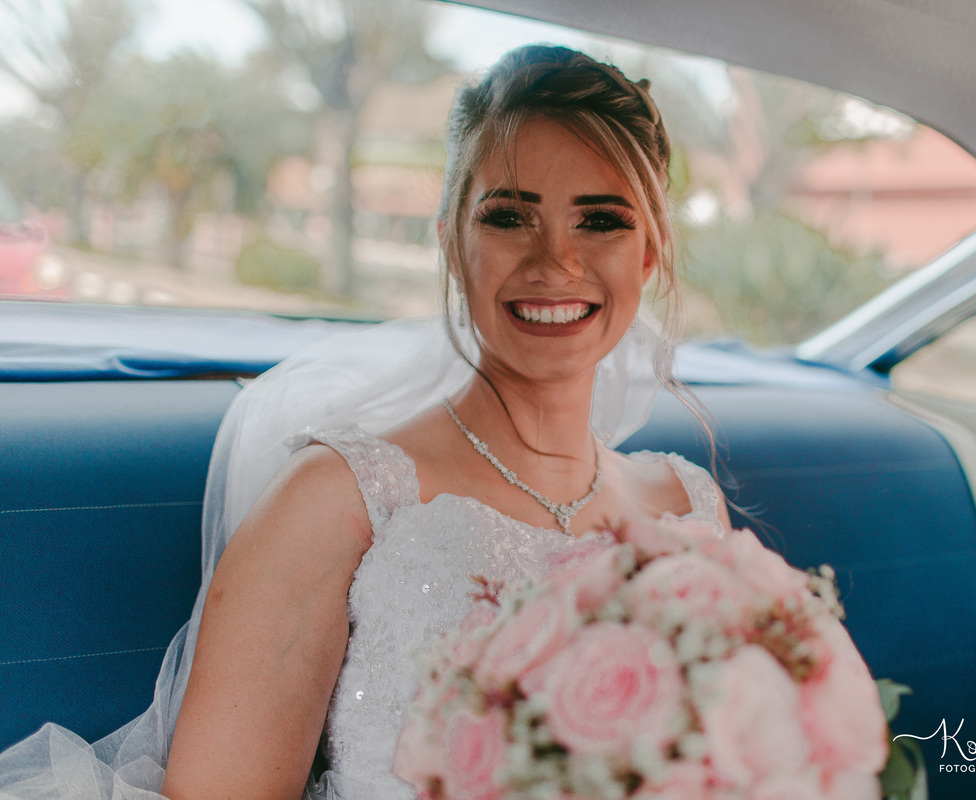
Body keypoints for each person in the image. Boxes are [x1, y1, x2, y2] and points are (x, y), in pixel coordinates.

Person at [0, 44, 731, 800]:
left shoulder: (691, 510)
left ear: (648, 256)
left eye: (601, 221)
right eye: (510, 216)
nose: (557, 262)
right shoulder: (338, 500)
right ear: (452, 240)